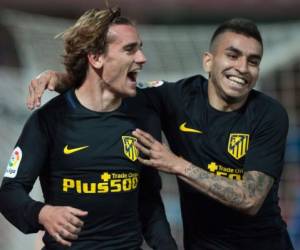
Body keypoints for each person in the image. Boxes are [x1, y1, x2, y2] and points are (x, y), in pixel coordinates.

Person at [26, 19, 294, 249]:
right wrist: (62, 79)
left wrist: (176, 164)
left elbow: (250, 200)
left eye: (253, 61)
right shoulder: (177, 97)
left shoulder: (268, 115)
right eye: (233, 56)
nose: (243, 68)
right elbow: (107, 83)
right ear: (208, 61)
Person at [0, 7, 177, 250]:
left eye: (140, 47)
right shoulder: (49, 120)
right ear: (96, 57)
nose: (142, 58)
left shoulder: (144, 117)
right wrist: (42, 213)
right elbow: (10, 192)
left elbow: (148, 201)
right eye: (130, 49)